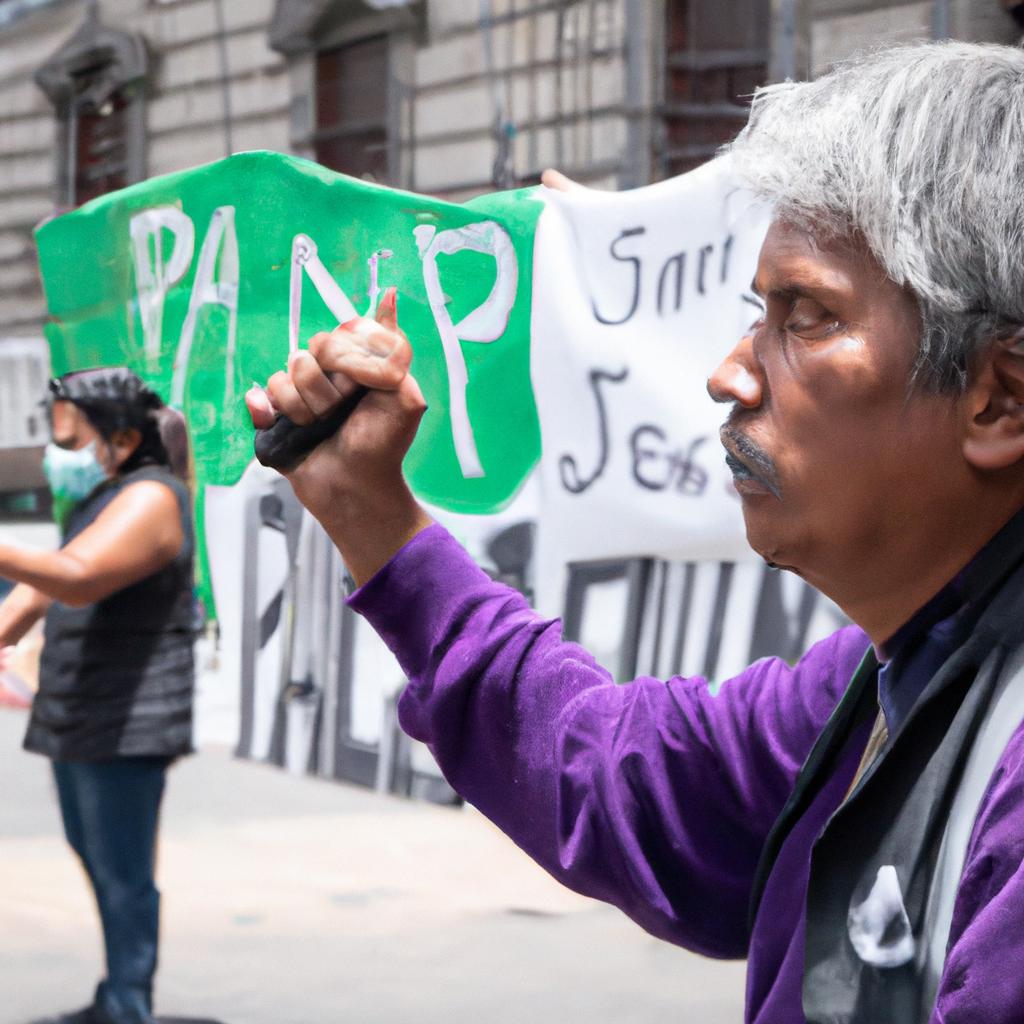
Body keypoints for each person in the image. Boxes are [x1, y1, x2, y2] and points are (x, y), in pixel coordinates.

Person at [247, 41, 1024, 1024]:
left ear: (996, 400)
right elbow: (629, 779)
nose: (729, 375)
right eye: (758, 311)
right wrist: (370, 508)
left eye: (808, 317)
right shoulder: (883, 678)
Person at [0, 368, 196, 1024]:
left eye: (69, 439)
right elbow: (38, 591)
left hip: (127, 718)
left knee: (122, 873)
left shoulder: (152, 498)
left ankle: (129, 1004)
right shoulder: (102, 502)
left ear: (121, 437)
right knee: (96, 858)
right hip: (80, 713)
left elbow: (77, 578)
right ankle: (118, 994)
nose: (57, 457)